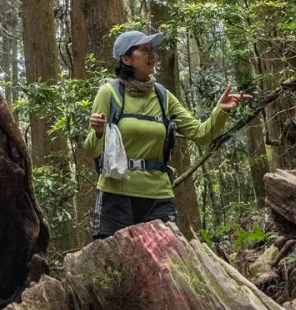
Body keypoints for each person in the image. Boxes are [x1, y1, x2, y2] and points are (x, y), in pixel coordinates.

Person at [84, 30, 250, 238]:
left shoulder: (162, 96)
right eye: (143, 49)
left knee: (168, 262)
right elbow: (91, 148)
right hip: (116, 195)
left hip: (158, 195)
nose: (152, 54)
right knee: (114, 265)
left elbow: (201, 134)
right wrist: (98, 132)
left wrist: (221, 111)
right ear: (125, 59)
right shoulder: (109, 93)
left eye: (152, 49)